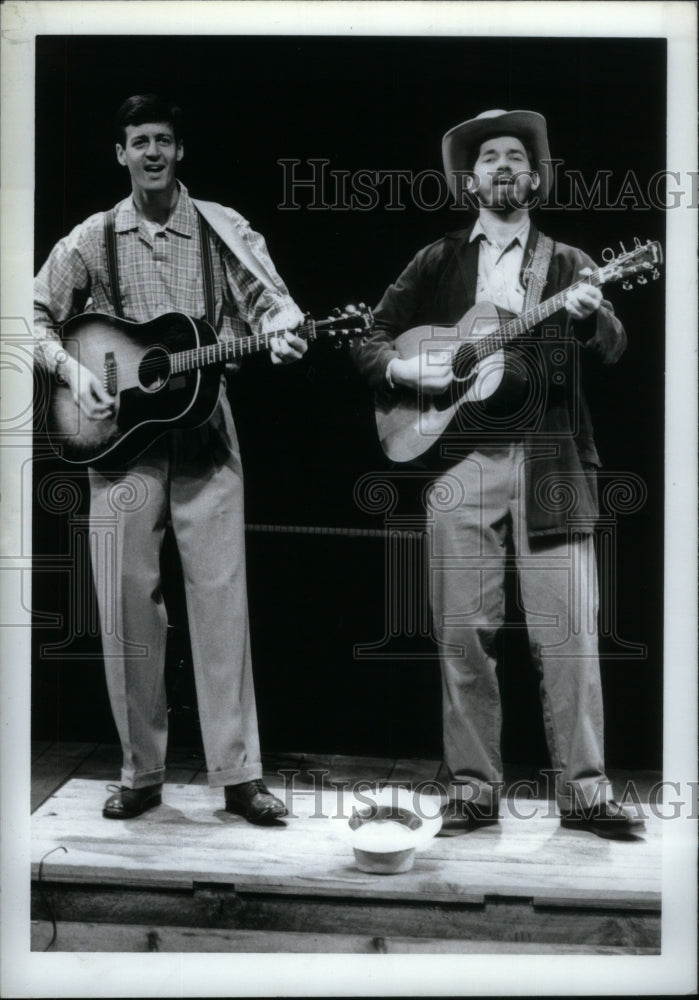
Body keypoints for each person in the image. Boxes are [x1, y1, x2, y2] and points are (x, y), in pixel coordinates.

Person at [353, 109, 643, 838]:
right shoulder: (438, 259)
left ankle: (584, 793)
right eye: (490, 158)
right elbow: (369, 337)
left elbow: (611, 345)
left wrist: (585, 314)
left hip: (550, 459)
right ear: (470, 180)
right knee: (461, 633)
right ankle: (472, 791)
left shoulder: (571, 262)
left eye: (517, 155)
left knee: (568, 634)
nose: (504, 166)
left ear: (535, 177)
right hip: (459, 458)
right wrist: (401, 365)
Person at [34, 94, 308, 824]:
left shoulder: (223, 228)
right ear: (120, 155)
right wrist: (71, 371)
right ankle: (140, 770)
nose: (151, 152)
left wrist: (282, 330)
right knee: (127, 609)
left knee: (221, 602)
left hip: (204, 435)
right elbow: (30, 315)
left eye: (162, 140)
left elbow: (271, 300)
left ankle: (240, 774)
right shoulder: (95, 237)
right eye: (137, 142)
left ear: (179, 151)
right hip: (120, 445)